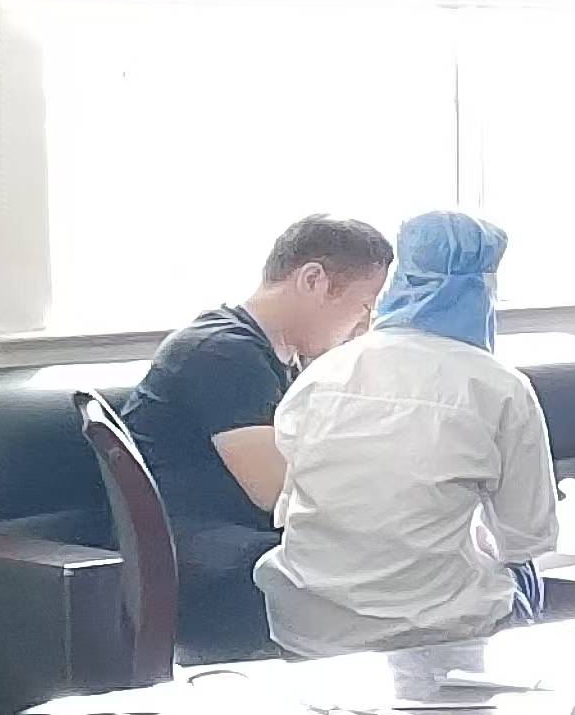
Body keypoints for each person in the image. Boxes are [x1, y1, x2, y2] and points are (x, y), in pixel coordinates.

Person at [255, 211, 557, 654]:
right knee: (521, 577)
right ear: (483, 287)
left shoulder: (321, 375)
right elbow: (526, 537)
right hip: (434, 632)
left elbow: (289, 508)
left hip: (308, 626)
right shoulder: (500, 387)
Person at [124, 215, 392, 654]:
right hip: (202, 554)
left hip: (232, 541)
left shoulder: (277, 357)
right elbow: (277, 492)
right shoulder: (223, 352)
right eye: (364, 306)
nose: (364, 326)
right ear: (312, 279)